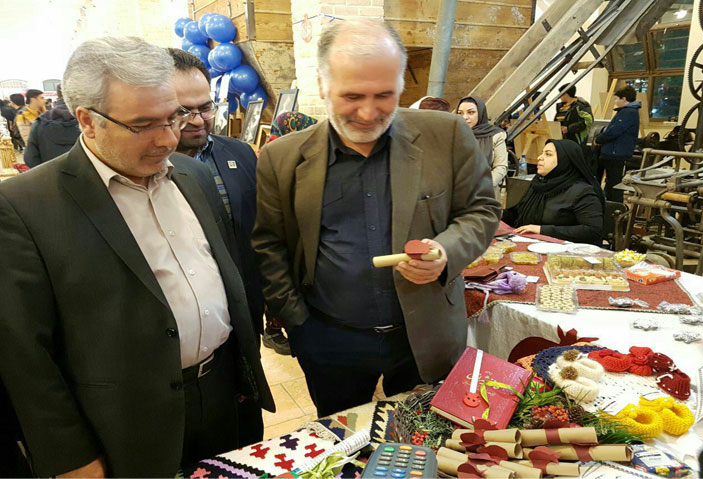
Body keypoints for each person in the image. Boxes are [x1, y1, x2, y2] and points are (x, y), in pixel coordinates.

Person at [0, 37, 273, 477]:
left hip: (224, 396)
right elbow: (24, 353)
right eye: (143, 125)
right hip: (123, 422)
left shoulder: (193, 174)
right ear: (87, 120)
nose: (168, 138)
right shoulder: (23, 206)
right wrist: (70, 455)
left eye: (172, 117)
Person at [252, 19, 501, 417]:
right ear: (322, 85)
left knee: (428, 436)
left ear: (401, 84)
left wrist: (445, 252)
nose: (368, 113)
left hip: (426, 336)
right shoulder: (282, 158)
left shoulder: (448, 135)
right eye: (351, 96)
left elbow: (482, 209)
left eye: (384, 95)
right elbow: (269, 243)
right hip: (329, 341)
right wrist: (297, 321)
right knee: (342, 437)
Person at [167, 49, 286, 354]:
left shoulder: (240, 154)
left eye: (205, 107)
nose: (197, 120)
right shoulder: (145, 170)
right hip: (181, 324)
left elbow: (261, 231)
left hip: (244, 309)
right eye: (183, 110)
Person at [503, 139, 604, 245]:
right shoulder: (539, 184)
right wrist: (498, 213)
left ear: (564, 160)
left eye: (548, 154)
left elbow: (592, 230)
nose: (539, 157)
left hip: (566, 250)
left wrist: (541, 230)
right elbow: (518, 215)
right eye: (542, 153)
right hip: (533, 244)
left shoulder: (582, 192)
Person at [594, 86, 641, 202]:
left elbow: (614, 131)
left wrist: (599, 139)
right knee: (611, 183)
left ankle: (615, 206)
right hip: (614, 151)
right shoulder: (627, 112)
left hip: (615, 153)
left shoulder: (628, 112)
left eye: (616, 99)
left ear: (623, 99)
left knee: (614, 184)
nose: (615, 102)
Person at [457, 96, 508, 199]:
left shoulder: (495, 135)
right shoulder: (453, 134)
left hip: (484, 193)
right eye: (460, 113)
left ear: (480, 113)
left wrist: (483, 185)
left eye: (471, 112)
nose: (465, 117)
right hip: (457, 193)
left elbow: (501, 166)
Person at [24, 85, 81, 168]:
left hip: (50, 173)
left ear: (58, 96)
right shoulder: (91, 119)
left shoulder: (40, 122)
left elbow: (30, 158)